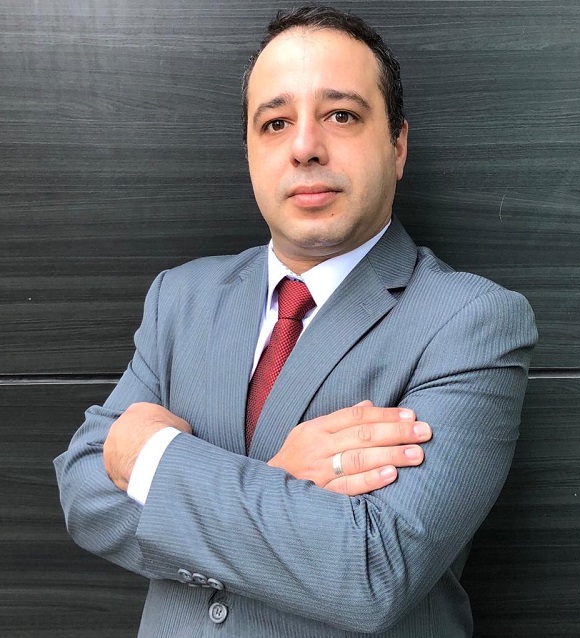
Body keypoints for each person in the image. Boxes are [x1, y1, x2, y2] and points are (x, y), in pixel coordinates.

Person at [54, 5, 537, 637]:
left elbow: (372, 570)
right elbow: (83, 492)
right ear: (250, 152)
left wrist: (151, 457)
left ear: (397, 146)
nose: (305, 146)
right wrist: (280, 487)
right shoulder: (181, 296)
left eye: (341, 115)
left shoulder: (471, 322)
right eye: (275, 123)